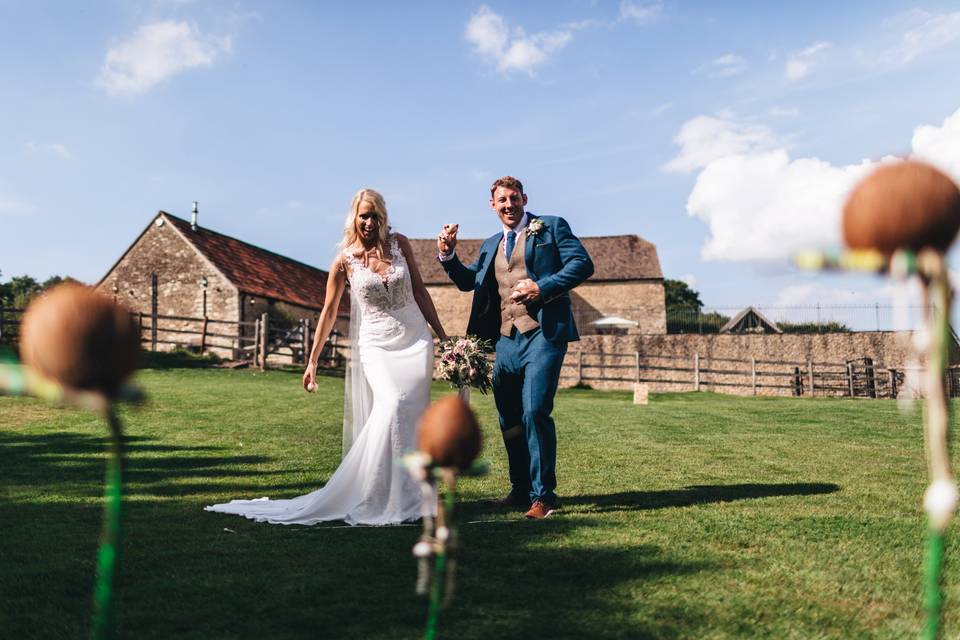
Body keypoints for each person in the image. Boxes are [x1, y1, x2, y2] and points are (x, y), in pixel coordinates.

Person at [206, 188, 447, 525]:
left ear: (383, 217)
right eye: (364, 215)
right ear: (354, 217)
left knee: (412, 415)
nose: (369, 221)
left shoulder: (400, 244)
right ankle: (375, 494)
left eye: (375, 215)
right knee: (392, 405)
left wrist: (443, 337)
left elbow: (420, 291)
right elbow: (329, 311)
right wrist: (313, 360)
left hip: (415, 339)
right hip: (376, 344)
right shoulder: (344, 261)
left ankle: (414, 497)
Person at [437, 176, 593, 519]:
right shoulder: (491, 244)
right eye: (501, 201)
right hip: (506, 339)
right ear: (492, 205)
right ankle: (520, 490)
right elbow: (469, 282)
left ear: (524, 198)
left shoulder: (550, 227)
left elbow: (582, 264)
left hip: (543, 333)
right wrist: (447, 256)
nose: (508, 205)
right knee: (509, 417)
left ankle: (544, 497)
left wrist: (542, 287)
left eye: (513, 198)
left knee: (534, 410)